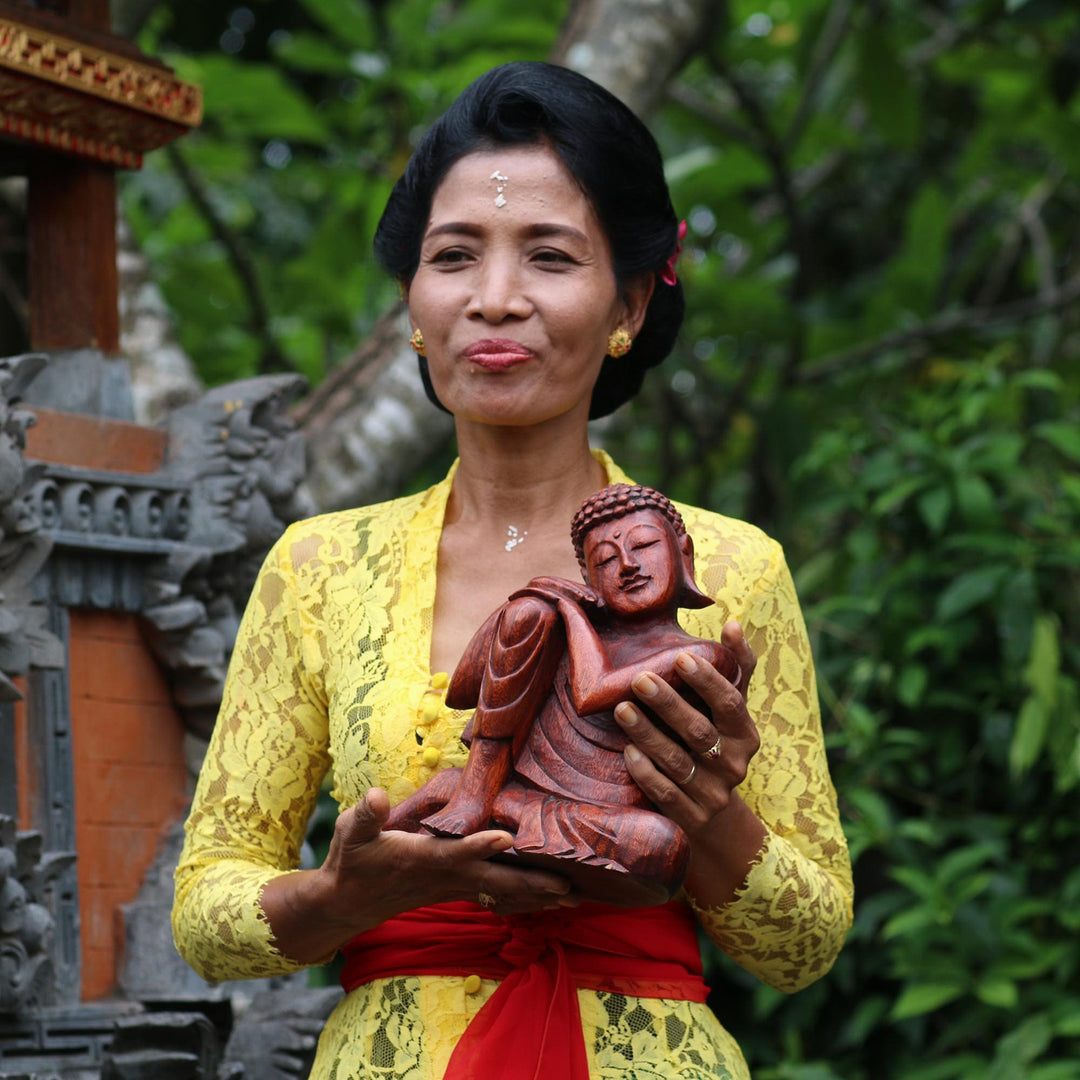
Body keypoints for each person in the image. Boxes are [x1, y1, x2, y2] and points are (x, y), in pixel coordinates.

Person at [173, 61, 853, 1080]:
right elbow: (205, 908)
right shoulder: (318, 565)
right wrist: (348, 896)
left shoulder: (733, 568)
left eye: (547, 256)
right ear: (411, 305)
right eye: (454, 256)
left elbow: (803, 946)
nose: (495, 300)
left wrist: (709, 815)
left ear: (626, 302)